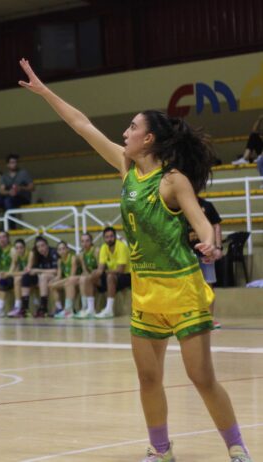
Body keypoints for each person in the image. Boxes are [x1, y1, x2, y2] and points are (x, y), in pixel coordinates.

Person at [18, 58, 252, 461]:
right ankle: (161, 451)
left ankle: (236, 448)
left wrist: (211, 245)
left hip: (182, 288)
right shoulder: (126, 168)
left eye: (132, 127)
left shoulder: (173, 180)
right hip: (145, 291)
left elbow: (201, 222)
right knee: (147, 377)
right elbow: (81, 124)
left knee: (201, 378)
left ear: (149, 139)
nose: (125, 133)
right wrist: (44, 92)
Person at [76, 226, 131, 319]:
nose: (109, 239)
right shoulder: (104, 247)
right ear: (104, 238)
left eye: (111, 236)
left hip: (127, 276)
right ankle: (90, 309)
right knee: (90, 278)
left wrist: (104, 272)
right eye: (107, 237)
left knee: (110, 277)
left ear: (115, 237)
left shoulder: (122, 246)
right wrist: (94, 275)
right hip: (112, 275)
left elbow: (120, 270)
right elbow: (100, 268)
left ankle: (109, 310)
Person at [188, 197, 223, 329]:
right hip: (187, 253)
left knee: (208, 285)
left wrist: (218, 247)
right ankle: (192, 319)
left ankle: (209, 318)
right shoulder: (181, 206)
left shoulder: (207, 205)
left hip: (206, 253)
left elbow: (216, 225)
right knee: (189, 286)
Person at [0, 154, 34, 229]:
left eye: (15, 162)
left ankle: (11, 228)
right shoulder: (5, 176)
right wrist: (9, 192)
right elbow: (1, 190)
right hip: (10, 197)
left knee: (8, 201)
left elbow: (32, 187)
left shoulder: (23, 173)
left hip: (22, 197)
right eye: (12, 162)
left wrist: (21, 188)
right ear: (8, 164)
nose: (14, 164)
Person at [18, 236, 58, 318]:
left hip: (55, 276)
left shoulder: (53, 252)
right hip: (42, 276)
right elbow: (29, 269)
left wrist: (38, 270)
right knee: (26, 277)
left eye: (42, 245)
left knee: (43, 276)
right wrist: (29, 268)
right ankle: (25, 308)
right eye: (38, 247)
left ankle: (43, 308)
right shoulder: (37, 254)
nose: (40, 248)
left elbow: (56, 271)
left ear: (47, 245)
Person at [69, 232, 99, 318]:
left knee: (83, 279)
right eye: (82, 241)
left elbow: (100, 268)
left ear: (91, 241)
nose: (85, 243)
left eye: (87, 241)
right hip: (89, 277)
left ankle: (86, 307)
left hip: (99, 276)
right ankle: (69, 309)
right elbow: (85, 270)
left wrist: (89, 275)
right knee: (71, 280)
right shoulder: (81, 254)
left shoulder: (96, 251)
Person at [48, 241, 78, 319]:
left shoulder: (73, 258)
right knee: (52, 285)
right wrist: (52, 281)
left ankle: (68, 310)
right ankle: (59, 309)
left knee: (68, 282)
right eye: (59, 249)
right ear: (57, 252)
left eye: (63, 248)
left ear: (68, 249)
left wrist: (57, 283)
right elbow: (59, 276)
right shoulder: (59, 261)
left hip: (76, 279)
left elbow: (72, 276)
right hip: (67, 280)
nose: (62, 251)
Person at [5, 238, 31, 317]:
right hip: (23, 277)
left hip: (33, 276)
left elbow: (27, 272)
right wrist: (6, 274)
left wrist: (10, 274)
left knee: (17, 279)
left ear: (25, 247)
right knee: (1, 280)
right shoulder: (16, 256)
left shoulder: (30, 254)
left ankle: (18, 306)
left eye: (21, 247)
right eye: (17, 248)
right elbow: (10, 271)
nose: (19, 250)